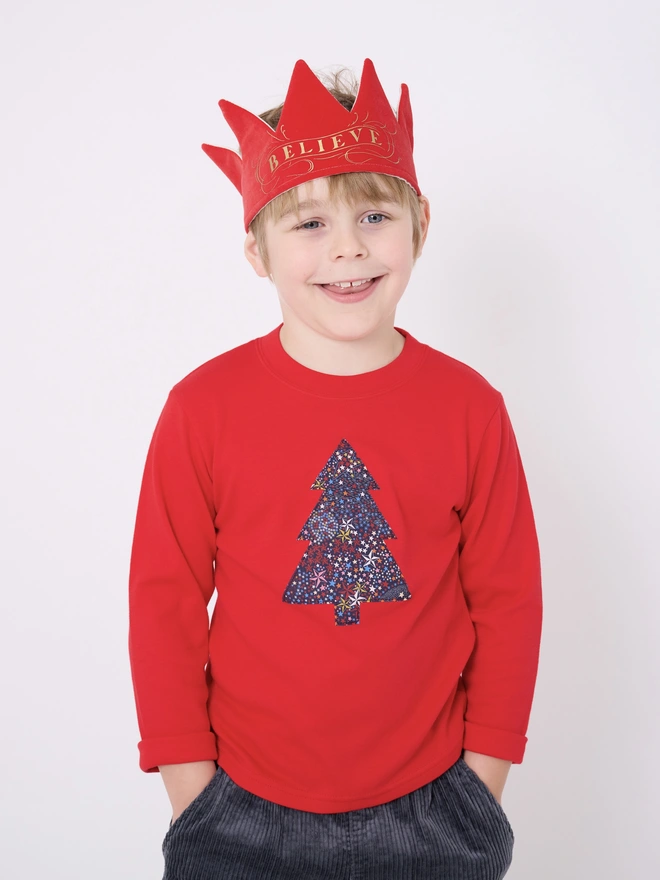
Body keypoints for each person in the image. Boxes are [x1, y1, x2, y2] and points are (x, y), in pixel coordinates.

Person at [128, 57, 543, 880]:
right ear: (256, 249)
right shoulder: (201, 408)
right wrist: (192, 791)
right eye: (309, 225)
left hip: (435, 813)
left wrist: (482, 783)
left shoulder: (470, 408)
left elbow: (508, 598)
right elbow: (164, 600)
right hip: (239, 813)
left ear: (419, 221)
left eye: (375, 216)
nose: (348, 249)